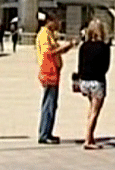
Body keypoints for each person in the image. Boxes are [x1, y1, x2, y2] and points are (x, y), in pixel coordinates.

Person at [36, 14, 76, 144]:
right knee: (48, 104)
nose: (58, 24)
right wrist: (64, 47)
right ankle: (44, 134)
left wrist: (69, 46)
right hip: (48, 71)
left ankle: (48, 132)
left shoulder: (50, 35)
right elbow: (49, 53)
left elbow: (57, 50)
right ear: (49, 21)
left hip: (54, 72)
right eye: (56, 21)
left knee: (52, 104)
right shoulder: (44, 35)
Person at [77, 18, 111, 150]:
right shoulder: (104, 47)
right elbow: (106, 67)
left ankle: (90, 137)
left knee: (91, 108)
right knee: (95, 112)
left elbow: (80, 65)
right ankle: (88, 139)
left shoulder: (83, 46)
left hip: (84, 82)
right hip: (97, 81)